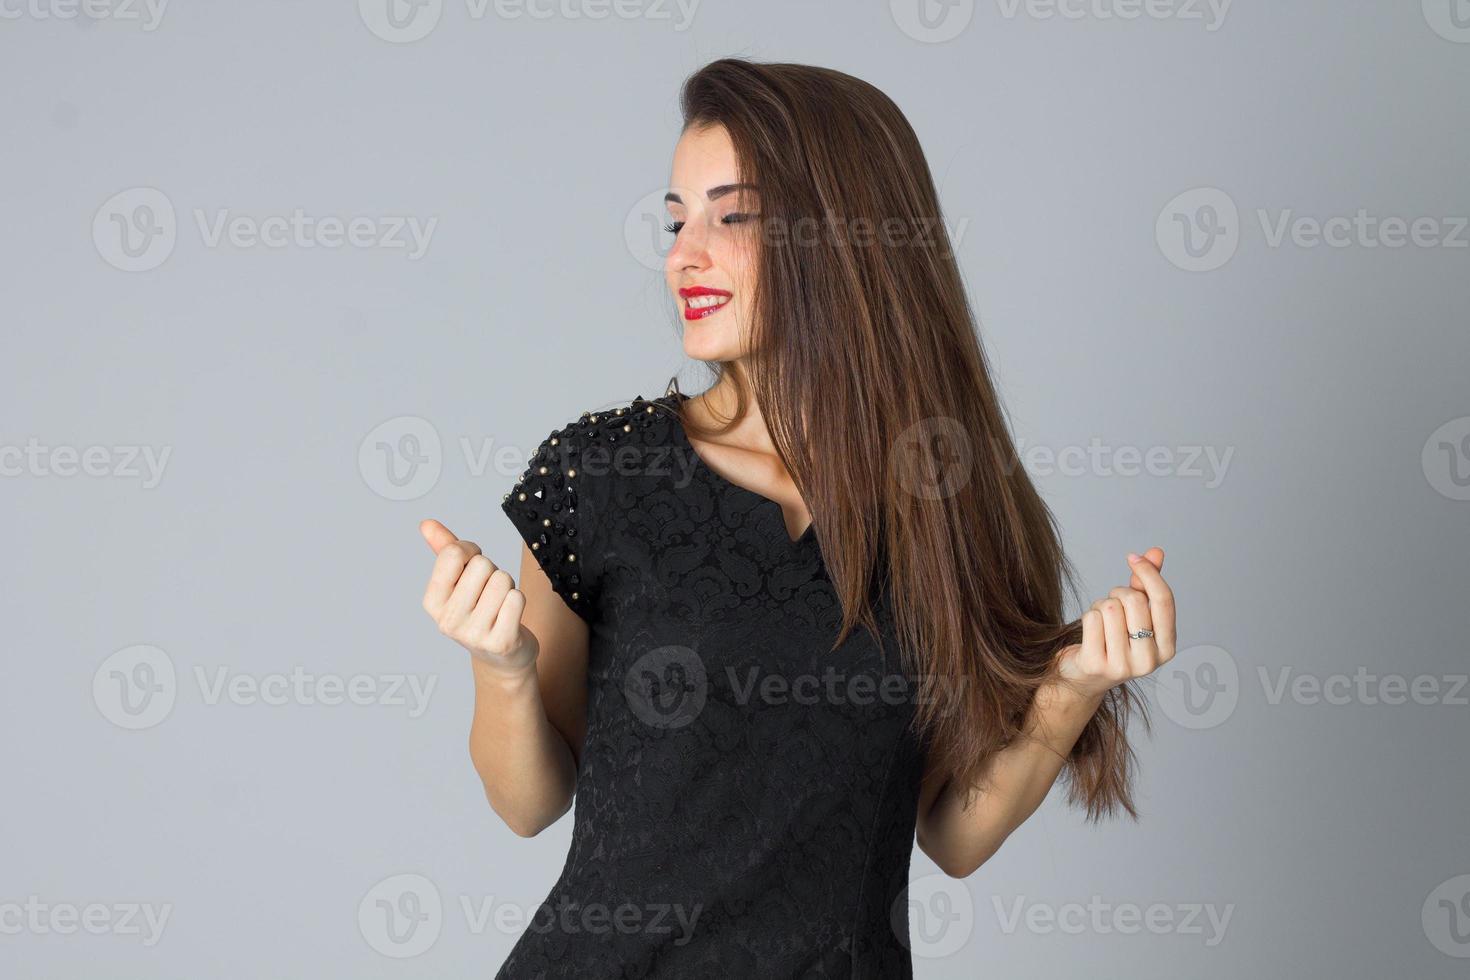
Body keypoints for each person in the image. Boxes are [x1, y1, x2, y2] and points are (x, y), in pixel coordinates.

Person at [418, 57, 1177, 979]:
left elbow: (951, 834)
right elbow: (527, 804)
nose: (682, 255)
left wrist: (1072, 690)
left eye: (730, 216)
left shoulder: (947, 501)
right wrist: (501, 667)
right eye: (675, 219)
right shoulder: (603, 472)